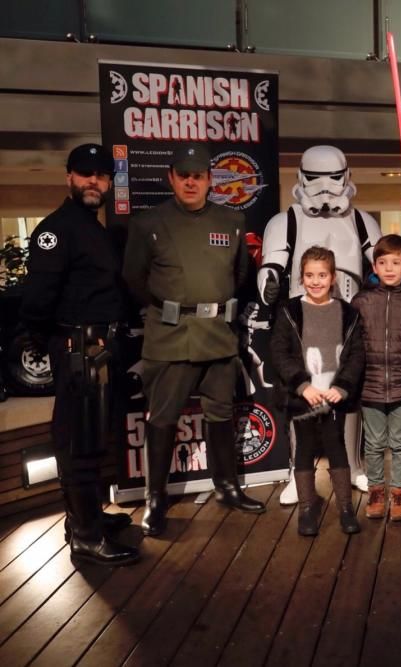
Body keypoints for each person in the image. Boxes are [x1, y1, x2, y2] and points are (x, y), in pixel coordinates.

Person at [123, 143, 266, 537]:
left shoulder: (232, 219)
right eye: (183, 175)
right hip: (170, 338)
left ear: (209, 179)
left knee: (221, 414)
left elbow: (239, 275)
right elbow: (134, 279)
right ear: (171, 177)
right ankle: (155, 499)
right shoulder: (147, 222)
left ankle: (227, 487)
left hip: (218, 337)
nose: (190, 181)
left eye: (198, 175)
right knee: (163, 420)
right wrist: (171, 308)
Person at [20, 144, 139, 566]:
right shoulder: (57, 229)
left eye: (102, 175)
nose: (94, 181)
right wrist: (54, 340)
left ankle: (85, 519)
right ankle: (86, 537)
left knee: (91, 438)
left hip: (98, 347)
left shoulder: (93, 228)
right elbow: (36, 299)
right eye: (85, 173)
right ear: (68, 177)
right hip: (79, 347)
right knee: (78, 442)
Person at [258, 145, 382, 503]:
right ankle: (302, 473)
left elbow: (385, 259)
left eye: (333, 177)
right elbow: (273, 263)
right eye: (315, 177)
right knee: (304, 396)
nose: (325, 187)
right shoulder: (286, 222)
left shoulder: (362, 221)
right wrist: (267, 280)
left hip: (348, 320)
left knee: (347, 393)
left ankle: (353, 467)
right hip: (303, 321)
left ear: (347, 176)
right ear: (301, 176)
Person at [270, 246, 366, 534]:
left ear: (333, 277)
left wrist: (342, 386)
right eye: (309, 275)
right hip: (304, 398)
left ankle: (347, 509)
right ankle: (307, 508)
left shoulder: (349, 313)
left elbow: (357, 355)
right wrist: (301, 385)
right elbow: (279, 352)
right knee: (305, 451)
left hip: (333, 398)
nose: (316, 281)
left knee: (338, 450)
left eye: (322, 275)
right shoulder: (289, 310)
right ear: (301, 277)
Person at [351, 235, 401, 522]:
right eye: (382, 262)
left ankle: (399, 494)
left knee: (400, 443)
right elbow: (350, 348)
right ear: (374, 266)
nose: (388, 268)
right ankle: (376, 492)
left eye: (395, 263)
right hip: (370, 388)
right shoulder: (361, 302)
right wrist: (351, 384)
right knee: (373, 444)